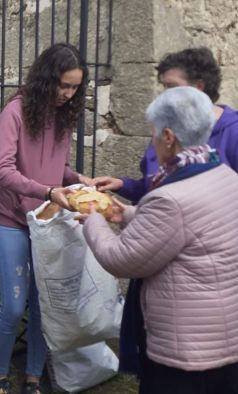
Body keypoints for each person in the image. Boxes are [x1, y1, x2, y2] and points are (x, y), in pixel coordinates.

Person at [81, 86, 238, 394]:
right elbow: (184, 228)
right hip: (226, 338)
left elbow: (121, 258)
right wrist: (124, 214)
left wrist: (93, 218)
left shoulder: (170, 197)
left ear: (168, 136)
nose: (151, 140)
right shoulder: (224, 176)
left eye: (153, 132)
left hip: (186, 352)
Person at [0, 43, 90, 394]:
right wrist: (47, 191)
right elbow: (2, 171)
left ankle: (33, 376)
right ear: (47, 79)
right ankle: (0, 375)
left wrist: (78, 179)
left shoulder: (63, 117)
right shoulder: (14, 112)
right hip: (10, 220)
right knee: (15, 306)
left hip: (47, 223)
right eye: (64, 85)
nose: (68, 93)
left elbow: (56, 168)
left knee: (43, 304)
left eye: (75, 87)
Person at [93, 47, 238, 201]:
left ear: (199, 87)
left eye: (171, 87)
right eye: (164, 87)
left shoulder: (233, 131)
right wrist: (123, 185)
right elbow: (156, 187)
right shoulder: (167, 127)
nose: (165, 95)